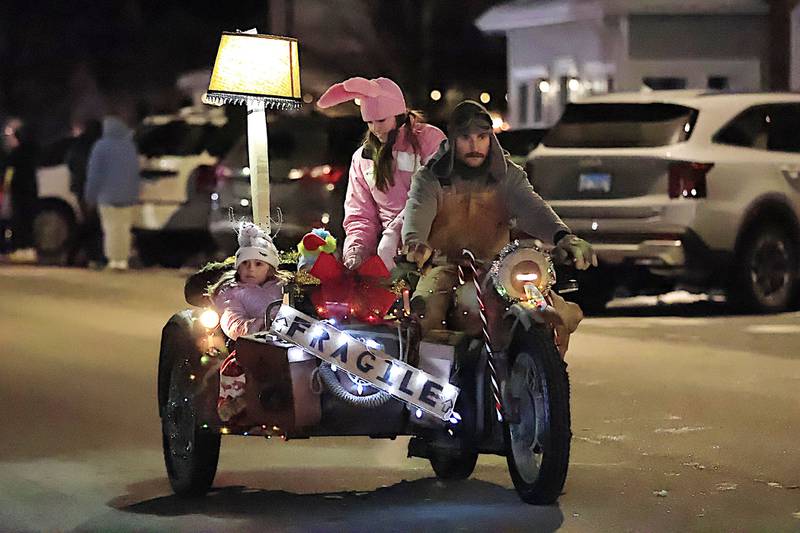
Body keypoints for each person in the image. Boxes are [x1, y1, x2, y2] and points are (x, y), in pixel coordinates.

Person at [402, 100, 596, 356]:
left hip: (499, 269)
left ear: (491, 138)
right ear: (452, 140)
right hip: (444, 266)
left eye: (482, 137)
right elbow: (417, 212)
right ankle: (432, 385)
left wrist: (564, 237)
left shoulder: (507, 175)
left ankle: (543, 379)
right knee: (425, 315)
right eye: (465, 138)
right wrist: (415, 243)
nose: (474, 146)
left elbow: (533, 208)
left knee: (551, 311)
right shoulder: (431, 178)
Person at [316, 76, 446, 270]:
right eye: (369, 122)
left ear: (398, 114)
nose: (375, 129)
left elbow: (435, 195)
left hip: (432, 249)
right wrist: (356, 251)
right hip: (388, 258)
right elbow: (360, 214)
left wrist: (394, 234)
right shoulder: (363, 158)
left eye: (381, 120)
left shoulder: (429, 140)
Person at [210, 221, 283, 421]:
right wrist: (255, 327)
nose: (250, 269)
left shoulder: (282, 288)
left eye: (258, 264)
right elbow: (231, 319)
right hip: (251, 343)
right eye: (245, 264)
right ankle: (235, 401)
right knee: (238, 367)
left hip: (288, 339)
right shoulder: (233, 293)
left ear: (269, 269)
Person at [84, 115, 140, 271]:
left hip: (106, 196)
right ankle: (123, 259)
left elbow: (94, 174)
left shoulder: (100, 146)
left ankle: (113, 260)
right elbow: (135, 173)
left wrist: (90, 196)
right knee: (124, 229)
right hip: (128, 196)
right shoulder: (130, 146)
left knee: (110, 228)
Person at [66, 119, 103, 266]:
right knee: (91, 223)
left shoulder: (79, 144)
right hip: (93, 188)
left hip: (81, 187)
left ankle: (79, 255)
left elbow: (70, 162)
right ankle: (86, 255)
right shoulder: (98, 145)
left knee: (89, 222)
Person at [2, 118, 39, 262]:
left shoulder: (16, 154)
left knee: (18, 220)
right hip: (31, 190)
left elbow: (8, 172)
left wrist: (7, 187)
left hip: (19, 191)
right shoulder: (33, 151)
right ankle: (29, 249)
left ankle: (20, 249)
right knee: (28, 220)